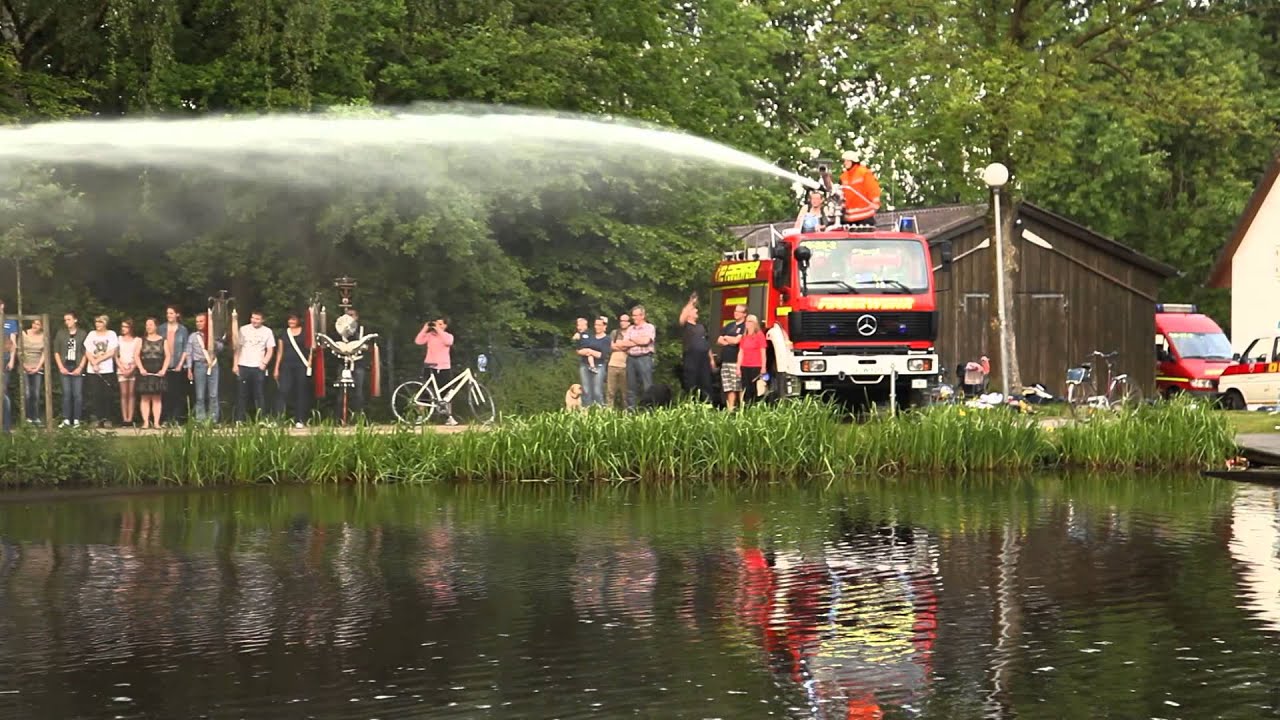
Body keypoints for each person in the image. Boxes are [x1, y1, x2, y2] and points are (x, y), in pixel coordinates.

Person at [414, 316, 457, 426]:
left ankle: (449, 417)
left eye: (441, 324)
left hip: (444, 368)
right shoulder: (430, 336)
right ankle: (420, 416)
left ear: (445, 326)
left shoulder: (447, 336)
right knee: (425, 392)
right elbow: (418, 341)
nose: (437, 326)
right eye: (436, 324)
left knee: (447, 394)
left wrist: (438, 329)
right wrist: (425, 327)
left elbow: (448, 342)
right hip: (430, 367)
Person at [274, 313, 314, 429]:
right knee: (283, 390)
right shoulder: (284, 334)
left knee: (301, 391)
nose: (291, 321)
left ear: (298, 320)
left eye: (293, 319)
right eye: (289, 319)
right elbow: (280, 352)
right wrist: (276, 368)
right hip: (286, 365)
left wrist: (310, 361)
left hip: (301, 365)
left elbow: (311, 348)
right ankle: (279, 418)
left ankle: (300, 419)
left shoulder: (305, 332)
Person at [234, 311, 274, 422]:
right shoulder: (243, 329)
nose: (254, 321)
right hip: (243, 365)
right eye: (253, 318)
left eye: (257, 319)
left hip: (258, 367)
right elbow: (238, 347)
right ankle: (239, 420)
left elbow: (270, 349)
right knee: (242, 394)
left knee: (259, 394)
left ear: (262, 320)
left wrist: (264, 363)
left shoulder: (267, 331)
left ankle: (261, 420)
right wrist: (235, 364)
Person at [185, 313, 223, 423]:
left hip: (213, 365)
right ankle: (200, 420)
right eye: (197, 321)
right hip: (199, 366)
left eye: (201, 321)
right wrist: (189, 368)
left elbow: (220, 348)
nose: (199, 323)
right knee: (200, 395)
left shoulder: (213, 334)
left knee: (213, 394)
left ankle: (213, 420)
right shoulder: (193, 336)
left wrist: (214, 343)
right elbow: (189, 353)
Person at [617, 305, 656, 410]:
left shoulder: (649, 327)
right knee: (631, 386)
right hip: (631, 358)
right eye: (632, 315)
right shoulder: (630, 328)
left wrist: (632, 340)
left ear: (642, 316)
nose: (633, 318)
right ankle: (631, 410)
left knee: (647, 385)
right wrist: (637, 340)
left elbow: (646, 341)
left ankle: (648, 409)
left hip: (645, 358)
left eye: (635, 315)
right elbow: (621, 344)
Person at [84, 315, 119, 428]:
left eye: (100, 322)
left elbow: (111, 352)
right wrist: (93, 363)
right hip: (93, 370)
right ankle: (95, 418)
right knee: (95, 394)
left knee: (107, 394)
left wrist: (98, 360)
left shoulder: (111, 334)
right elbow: (87, 351)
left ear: (105, 323)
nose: (97, 324)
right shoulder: (91, 334)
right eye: (96, 322)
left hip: (107, 369)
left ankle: (107, 418)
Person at [678, 293, 713, 403]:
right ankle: (691, 404)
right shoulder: (686, 326)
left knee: (706, 382)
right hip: (691, 357)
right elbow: (682, 316)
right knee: (691, 383)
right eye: (694, 310)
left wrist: (711, 359)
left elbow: (706, 343)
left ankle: (707, 405)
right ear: (688, 314)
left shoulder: (701, 326)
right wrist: (691, 302)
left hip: (704, 358)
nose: (696, 311)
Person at [53, 311, 86, 427]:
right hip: (65, 366)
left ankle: (77, 420)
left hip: (77, 366)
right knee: (66, 393)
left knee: (77, 394)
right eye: (65, 320)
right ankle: (66, 419)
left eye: (69, 319)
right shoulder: (61, 333)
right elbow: (56, 351)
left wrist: (81, 367)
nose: (67, 322)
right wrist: (61, 367)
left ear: (75, 320)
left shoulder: (82, 334)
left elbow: (85, 352)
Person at [158, 306, 190, 425]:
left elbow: (186, 348)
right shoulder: (161, 329)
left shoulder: (183, 330)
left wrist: (180, 364)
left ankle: (176, 418)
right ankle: (166, 418)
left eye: (171, 313)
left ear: (177, 314)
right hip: (164, 365)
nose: (169, 315)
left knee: (177, 393)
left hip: (177, 365)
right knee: (165, 393)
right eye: (167, 313)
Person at [137, 317, 170, 429]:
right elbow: (136, 355)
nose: (148, 327)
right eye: (147, 325)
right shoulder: (141, 340)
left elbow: (168, 356)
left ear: (156, 326)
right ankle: (145, 422)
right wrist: (141, 368)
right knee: (145, 397)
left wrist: (164, 370)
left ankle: (156, 422)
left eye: (150, 324)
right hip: (145, 370)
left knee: (157, 397)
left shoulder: (163, 340)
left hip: (158, 369)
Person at [715, 304, 747, 411]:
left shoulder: (744, 326)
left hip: (736, 362)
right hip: (726, 361)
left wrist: (726, 338)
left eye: (738, 311)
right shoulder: (729, 325)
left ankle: (742, 409)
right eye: (735, 311)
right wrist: (729, 340)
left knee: (738, 386)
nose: (735, 313)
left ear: (744, 314)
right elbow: (718, 340)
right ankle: (730, 409)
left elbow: (737, 341)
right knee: (729, 387)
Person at [838, 150, 882, 227]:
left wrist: (875, 203)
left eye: (847, 161)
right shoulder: (843, 176)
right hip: (850, 217)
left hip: (865, 215)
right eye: (844, 161)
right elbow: (842, 194)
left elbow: (873, 189)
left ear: (853, 161)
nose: (845, 163)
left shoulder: (864, 172)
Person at [577, 317, 611, 407]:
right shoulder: (590, 336)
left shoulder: (607, 339)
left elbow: (603, 355)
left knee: (597, 391)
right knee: (586, 390)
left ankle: (600, 412)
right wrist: (583, 351)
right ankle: (586, 412)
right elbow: (579, 349)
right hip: (585, 365)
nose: (597, 327)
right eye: (596, 325)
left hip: (598, 366)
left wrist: (590, 352)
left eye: (599, 325)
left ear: (604, 327)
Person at [19, 318, 46, 424]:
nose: (35, 325)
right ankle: (27, 417)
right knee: (26, 393)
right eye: (34, 323)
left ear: (42, 326)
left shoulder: (44, 335)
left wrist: (38, 367)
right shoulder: (24, 334)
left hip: (37, 367)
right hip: (25, 366)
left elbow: (44, 352)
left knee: (36, 393)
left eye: (38, 324)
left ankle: (35, 417)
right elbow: (19, 351)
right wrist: (25, 365)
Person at [345, 308, 370, 415]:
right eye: (348, 315)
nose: (350, 317)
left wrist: (364, 346)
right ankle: (341, 418)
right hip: (344, 363)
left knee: (358, 392)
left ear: (356, 317)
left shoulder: (362, 329)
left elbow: (369, 345)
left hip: (358, 363)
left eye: (352, 315)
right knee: (342, 392)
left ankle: (359, 417)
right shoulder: (339, 329)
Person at [116, 319, 141, 426]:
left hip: (132, 368)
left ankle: (130, 418)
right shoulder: (118, 339)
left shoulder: (137, 340)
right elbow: (115, 356)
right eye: (122, 326)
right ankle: (124, 418)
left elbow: (138, 355)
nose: (123, 329)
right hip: (121, 368)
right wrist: (121, 367)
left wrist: (132, 368)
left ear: (131, 328)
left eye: (125, 327)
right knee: (123, 394)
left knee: (131, 394)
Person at [738, 314, 768, 403]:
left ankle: (755, 407)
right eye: (746, 321)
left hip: (756, 366)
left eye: (749, 321)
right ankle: (747, 407)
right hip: (745, 366)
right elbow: (741, 352)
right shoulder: (744, 336)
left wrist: (763, 367)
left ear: (755, 323)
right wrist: (738, 367)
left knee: (755, 388)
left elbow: (763, 352)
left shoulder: (759, 335)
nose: (747, 323)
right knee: (746, 388)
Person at [606, 314, 630, 410]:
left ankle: (626, 413)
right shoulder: (615, 333)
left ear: (629, 322)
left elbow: (631, 348)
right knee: (610, 391)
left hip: (626, 365)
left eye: (625, 321)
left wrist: (619, 345)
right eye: (621, 320)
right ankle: (608, 412)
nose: (622, 323)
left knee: (625, 392)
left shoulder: (631, 333)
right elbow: (611, 346)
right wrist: (624, 346)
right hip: (612, 364)